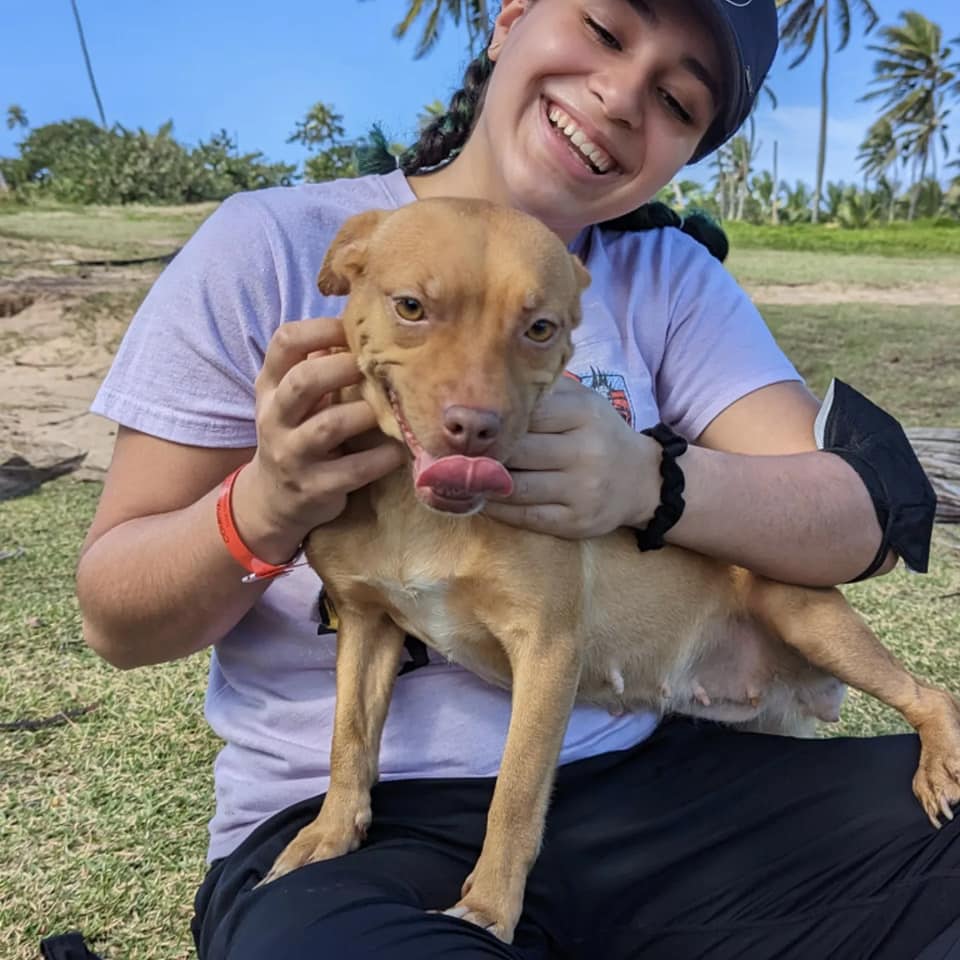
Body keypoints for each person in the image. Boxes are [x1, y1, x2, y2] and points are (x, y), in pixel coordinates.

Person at [76, 1, 959, 957]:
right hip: (379, 854)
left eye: (676, 98)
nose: (621, 97)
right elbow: (116, 624)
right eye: (607, 30)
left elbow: (859, 514)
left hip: (663, 776)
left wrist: (649, 482)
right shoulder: (268, 246)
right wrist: (266, 502)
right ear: (510, 18)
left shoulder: (666, 275)